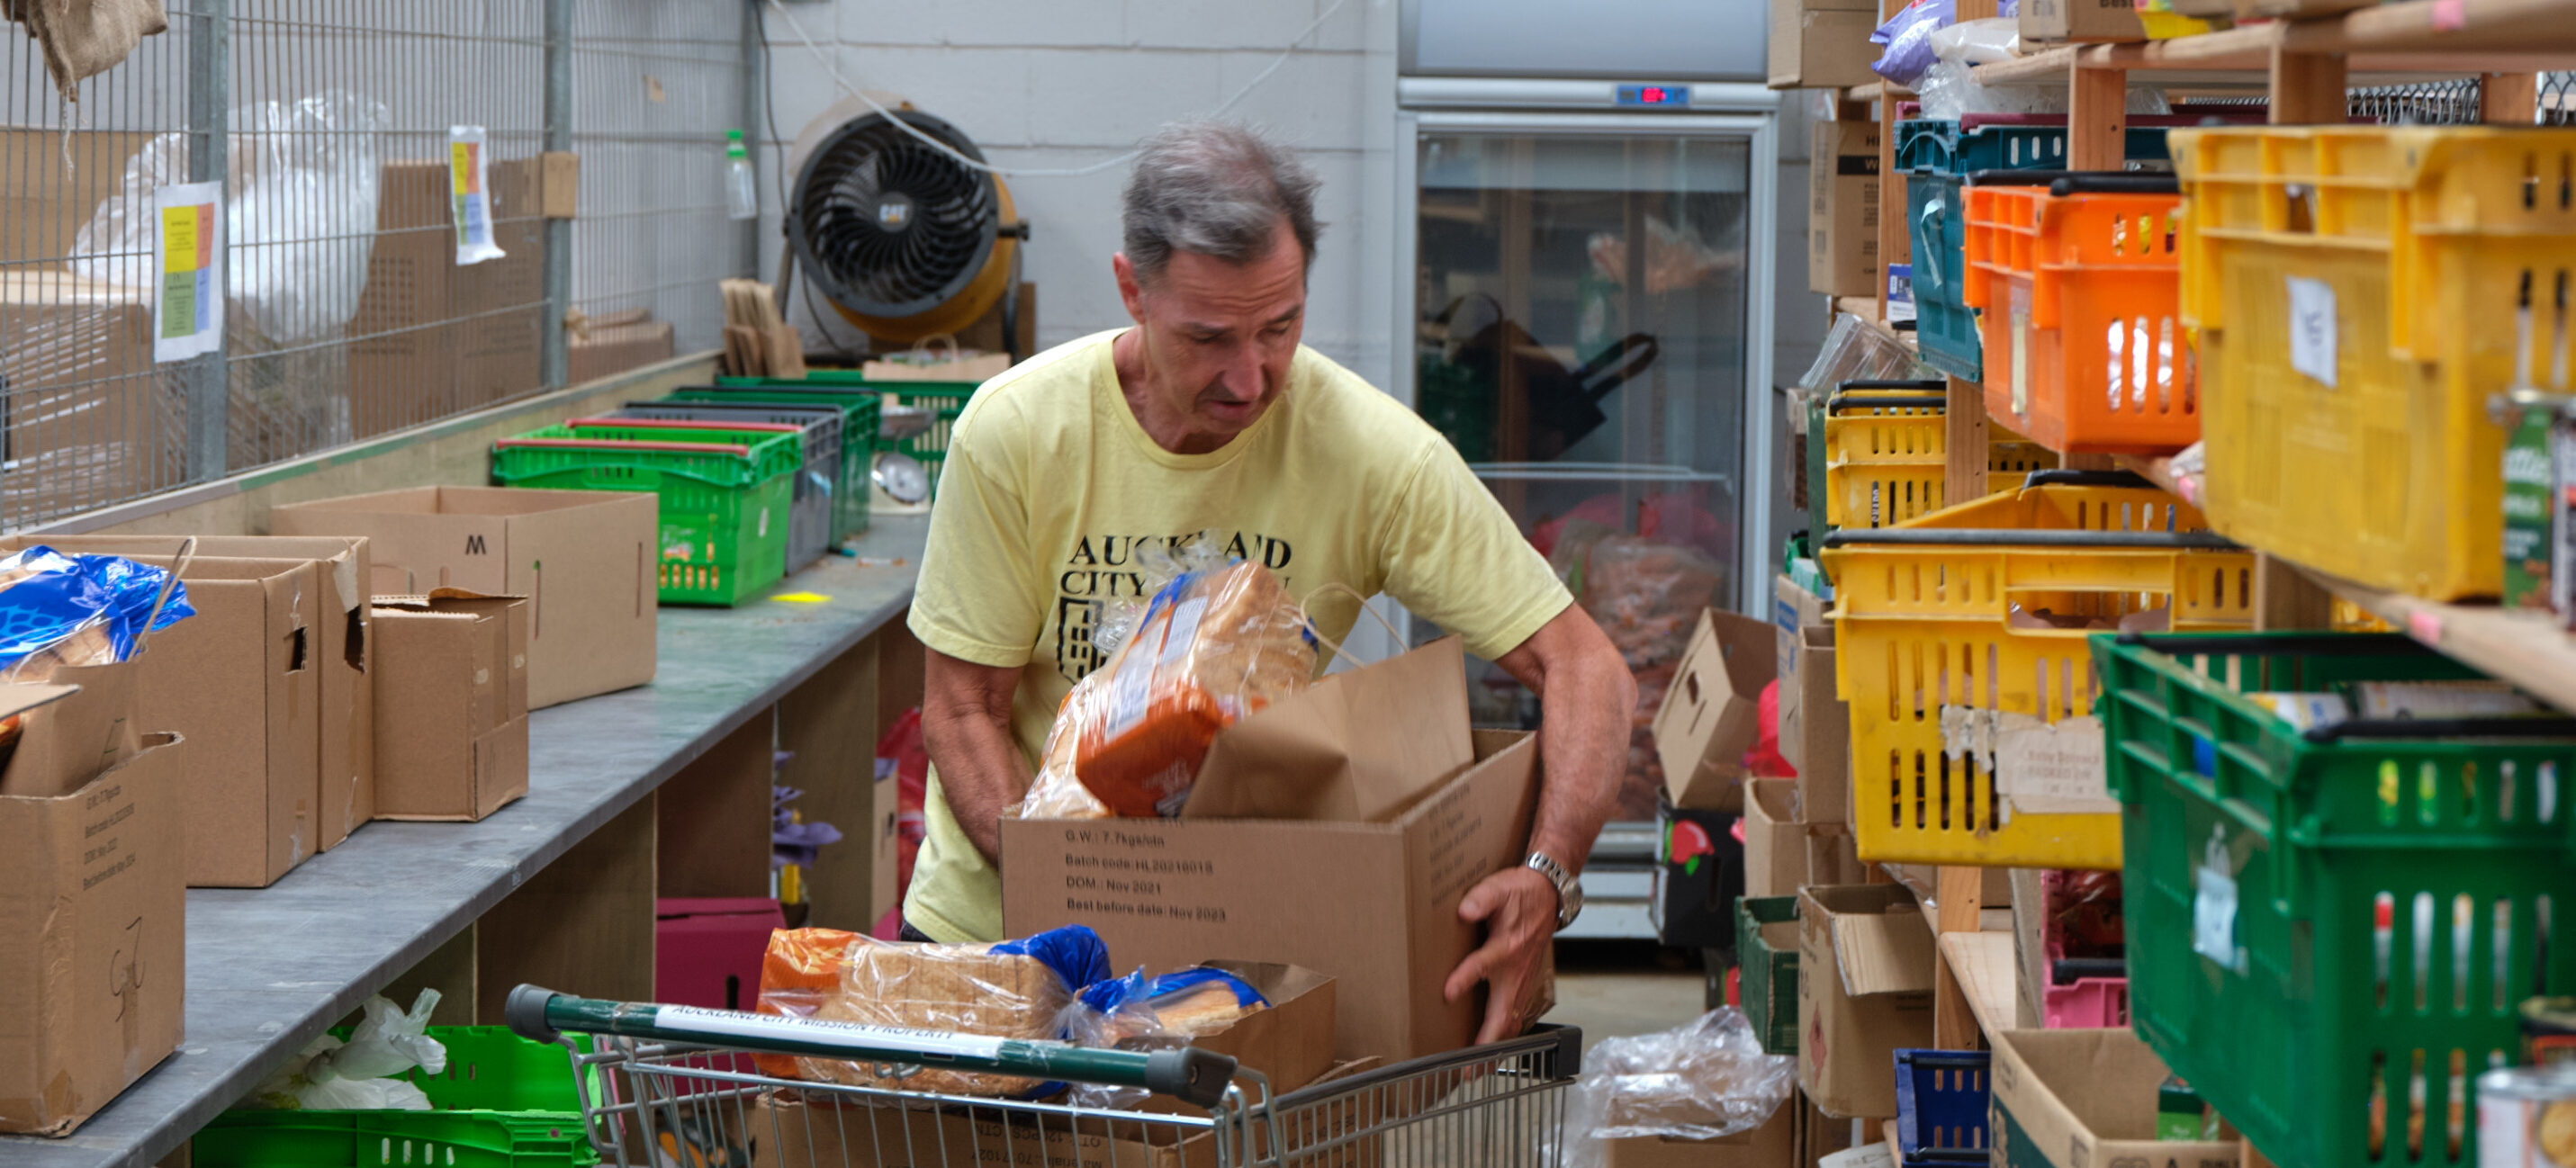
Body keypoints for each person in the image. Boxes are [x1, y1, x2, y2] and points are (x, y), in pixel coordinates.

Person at [901, 120, 1637, 1044]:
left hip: (1228, 962)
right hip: (996, 940)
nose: (1250, 378)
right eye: (1208, 337)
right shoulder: (1016, 434)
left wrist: (1551, 871)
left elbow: (1585, 666)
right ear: (1132, 289)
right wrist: (1069, 909)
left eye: (1279, 327)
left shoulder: (1369, 452)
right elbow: (963, 709)